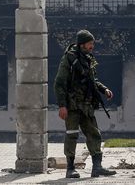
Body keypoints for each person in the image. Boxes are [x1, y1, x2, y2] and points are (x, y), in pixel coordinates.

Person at [54, 29, 117, 178]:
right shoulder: (69, 59)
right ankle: (70, 169)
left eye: (92, 43)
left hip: (87, 104)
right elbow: (59, 83)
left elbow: (92, 80)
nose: (92, 46)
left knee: (94, 133)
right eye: (90, 43)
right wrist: (62, 105)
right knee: (72, 135)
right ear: (82, 44)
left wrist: (104, 89)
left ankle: (97, 167)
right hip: (73, 105)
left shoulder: (88, 58)